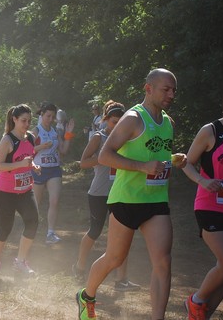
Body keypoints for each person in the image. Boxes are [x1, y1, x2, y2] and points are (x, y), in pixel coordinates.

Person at [76, 68, 188, 320]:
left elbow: (151, 155)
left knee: (163, 262)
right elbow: (105, 156)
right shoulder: (133, 118)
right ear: (148, 88)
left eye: (174, 90)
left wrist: (171, 160)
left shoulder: (168, 123)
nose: (171, 94)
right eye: (165, 89)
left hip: (156, 200)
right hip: (126, 199)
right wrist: (142, 167)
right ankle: (86, 296)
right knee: (115, 258)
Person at [181, 81, 223, 319]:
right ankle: (196, 300)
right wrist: (202, 180)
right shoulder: (210, 131)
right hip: (210, 205)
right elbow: (186, 162)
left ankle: (201, 315)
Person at [73, 100, 140, 292]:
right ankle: (79, 267)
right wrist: (104, 158)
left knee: (123, 236)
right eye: (113, 122)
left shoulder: (128, 139)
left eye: (120, 122)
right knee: (95, 231)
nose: (116, 126)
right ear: (105, 120)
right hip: (99, 193)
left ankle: (121, 280)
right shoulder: (98, 137)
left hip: (121, 193)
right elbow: (83, 163)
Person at [0, 104, 40, 275]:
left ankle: (20, 261)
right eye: (23, 120)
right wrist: (21, 164)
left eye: (29, 121)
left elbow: (28, 158)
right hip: (5, 193)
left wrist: (34, 165)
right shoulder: (8, 140)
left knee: (33, 222)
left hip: (25, 190)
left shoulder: (31, 138)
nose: (27, 124)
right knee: (5, 228)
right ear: (15, 119)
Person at [31, 103, 75, 244]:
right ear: (42, 115)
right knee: (35, 203)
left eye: (52, 116)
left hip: (54, 169)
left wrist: (68, 134)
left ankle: (50, 233)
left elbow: (62, 150)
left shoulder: (55, 132)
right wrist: (41, 147)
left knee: (54, 201)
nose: (50, 119)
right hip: (38, 169)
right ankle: (31, 230)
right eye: (48, 116)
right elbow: (26, 151)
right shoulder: (36, 131)